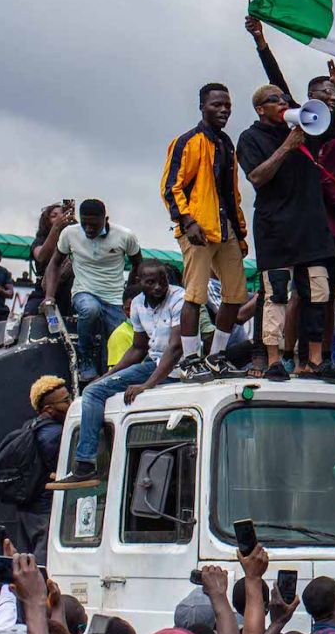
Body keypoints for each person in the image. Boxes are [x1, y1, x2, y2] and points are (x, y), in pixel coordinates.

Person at [49, 260, 186, 488]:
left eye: (162, 280)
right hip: (153, 363)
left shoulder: (179, 298)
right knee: (93, 391)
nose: (158, 286)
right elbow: (139, 348)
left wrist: (147, 385)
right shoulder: (138, 305)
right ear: (138, 282)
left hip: (180, 365)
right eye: (151, 282)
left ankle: (86, 465)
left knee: (100, 391)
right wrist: (107, 376)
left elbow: (175, 349)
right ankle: (86, 465)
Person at [237, 82, 335, 381]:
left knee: (318, 294)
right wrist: (286, 147)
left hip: (311, 227)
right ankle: (273, 360)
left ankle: (315, 359)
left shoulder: (306, 130)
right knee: (276, 293)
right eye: (274, 99)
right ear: (260, 109)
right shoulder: (250, 137)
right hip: (276, 228)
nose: (282, 102)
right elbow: (257, 176)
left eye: (284, 98)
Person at [161, 83, 249, 376]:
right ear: (202, 106)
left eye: (227, 105)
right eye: (217, 105)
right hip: (198, 226)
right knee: (195, 294)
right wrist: (187, 221)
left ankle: (216, 355)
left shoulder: (226, 143)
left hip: (225, 227)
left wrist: (239, 231)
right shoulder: (189, 141)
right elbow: (171, 187)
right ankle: (189, 358)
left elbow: (232, 193)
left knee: (235, 294)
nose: (224, 110)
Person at [43, 199, 143, 381]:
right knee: (90, 309)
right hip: (84, 291)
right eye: (84, 224)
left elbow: (139, 265)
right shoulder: (69, 234)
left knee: (119, 338)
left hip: (114, 297)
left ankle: (110, 376)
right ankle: (85, 358)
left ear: (106, 220)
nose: (88, 229)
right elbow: (54, 263)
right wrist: (49, 296)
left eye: (93, 224)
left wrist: (129, 292)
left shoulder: (124, 236)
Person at [13, 375, 71, 557]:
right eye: (66, 400)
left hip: (26, 508)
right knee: (42, 562)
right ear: (49, 409)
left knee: (24, 557)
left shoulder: (29, 426)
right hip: (44, 509)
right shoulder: (55, 435)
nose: (72, 403)